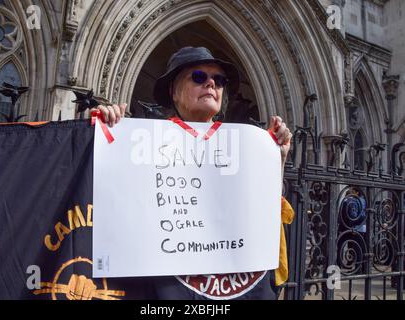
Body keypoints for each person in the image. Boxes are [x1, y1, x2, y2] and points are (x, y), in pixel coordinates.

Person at [91, 46, 294, 300]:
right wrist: (109, 132)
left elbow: (263, 212)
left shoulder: (248, 145)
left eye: (219, 81)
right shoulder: (139, 141)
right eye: (199, 77)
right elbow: (111, 200)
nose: (211, 83)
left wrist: (277, 160)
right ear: (174, 92)